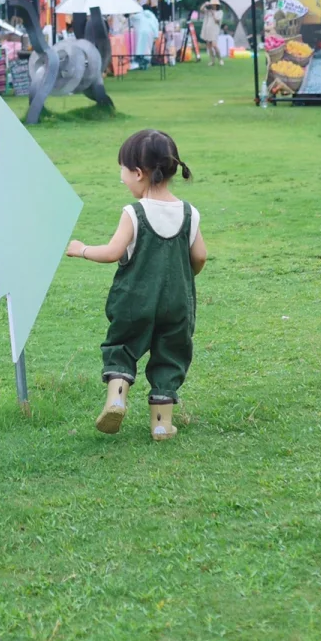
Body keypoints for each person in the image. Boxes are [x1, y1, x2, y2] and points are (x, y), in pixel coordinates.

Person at [65, 129, 207, 441]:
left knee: (123, 346)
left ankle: (116, 400)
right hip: (177, 303)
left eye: (124, 171)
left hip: (134, 301)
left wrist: (82, 249)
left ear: (139, 173)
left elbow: (113, 252)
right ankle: (161, 425)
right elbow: (200, 256)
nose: (123, 178)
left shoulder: (135, 212)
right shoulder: (189, 212)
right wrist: (185, 278)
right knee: (170, 355)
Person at [200, 1, 223, 66]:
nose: (213, 6)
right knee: (209, 46)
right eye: (212, 4)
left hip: (215, 30)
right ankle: (212, 61)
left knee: (214, 45)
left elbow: (217, 21)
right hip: (208, 30)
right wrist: (205, 4)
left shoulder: (220, 12)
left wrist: (213, 14)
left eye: (214, 5)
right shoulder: (208, 11)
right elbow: (201, 10)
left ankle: (220, 59)